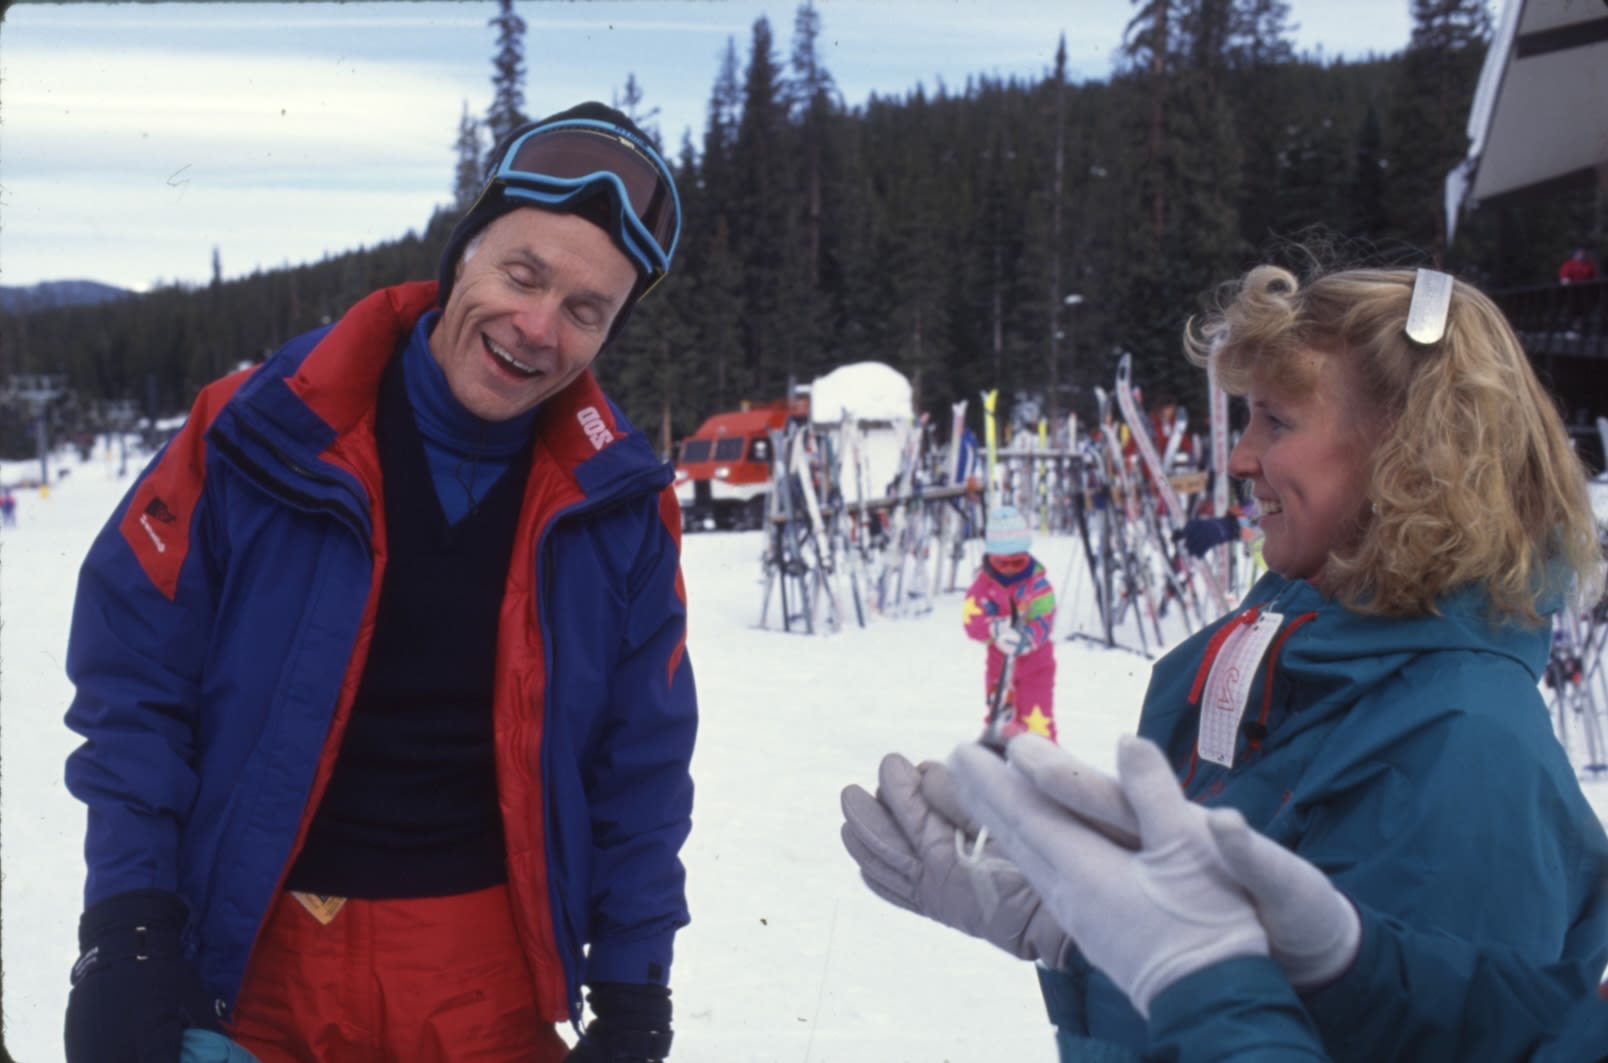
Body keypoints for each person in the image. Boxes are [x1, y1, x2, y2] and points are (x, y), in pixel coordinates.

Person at [842, 261, 1608, 1061]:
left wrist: (1089, 941)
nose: (1239, 458)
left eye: (1276, 422)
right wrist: (1092, 918)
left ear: (1410, 455)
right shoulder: (1294, 665)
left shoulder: (1469, 758)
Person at [61, 101, 695, 1063]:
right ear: (463, 252)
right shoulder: (253, 431)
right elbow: (136, 687)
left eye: (584, 311)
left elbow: (641, 765)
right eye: (523, 274)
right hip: (255, 962)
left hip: (487, 981)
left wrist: (636, 1000)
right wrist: (128, 929)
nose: (537, 328)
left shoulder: (619, 504)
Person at [947, 732, 1608, 1063]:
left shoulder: (1471, 748)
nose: (1240, 460)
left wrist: (1206, 982)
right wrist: (1356, 967)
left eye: (1275, 450)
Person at [962, 505, 1058, 742]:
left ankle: (1044, 764)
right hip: (999, 666)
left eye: (1017, 562)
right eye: (1001, 563)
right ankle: (995, 763)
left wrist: (1029, 638)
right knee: (999, 717)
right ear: (990, 558)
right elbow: (971, 619)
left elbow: (1045, 618)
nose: (1009, 569)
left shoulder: (1037, 584)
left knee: (1037, 721)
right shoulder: (984, 584)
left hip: (1036, 665)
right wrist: (994, 628)